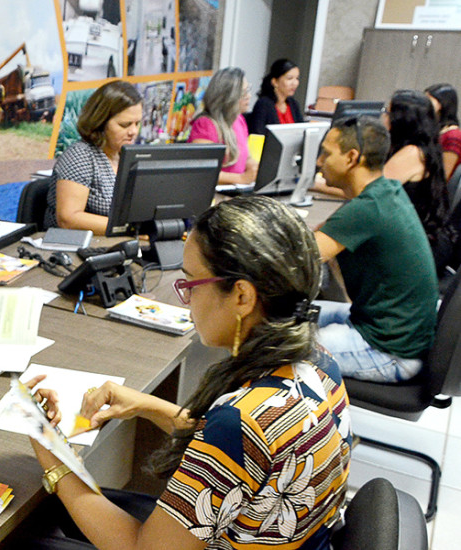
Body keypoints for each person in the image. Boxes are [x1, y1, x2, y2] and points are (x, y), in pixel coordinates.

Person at [23, 195, 351, 550]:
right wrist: (146, 405)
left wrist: (54, 457)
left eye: (191, 284)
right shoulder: (318, 361)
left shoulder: (243, 421)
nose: (187, 300)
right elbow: (246, 457)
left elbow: (140, 549)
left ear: (242, 295)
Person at [314, 116, 438, 382]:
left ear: (352, 158)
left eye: (325, 154)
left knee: (275, 345)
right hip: (392, 331)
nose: (319, 162)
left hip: (390, 352)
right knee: (297, 316)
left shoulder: (367, 209)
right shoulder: (386, 191)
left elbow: (296, 258)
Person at [44, 80, 142, 235]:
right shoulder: (80, 156)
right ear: (101, 122)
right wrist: (129, 229)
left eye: (137, 124)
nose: (133, 131)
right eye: (125, 125)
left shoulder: (127, 156)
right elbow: (68, 219)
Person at [382, 89, 449, 248]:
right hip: (411, 235)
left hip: (413, 243)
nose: (384, 117)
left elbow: (371, 192)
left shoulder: (412, 154)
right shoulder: (423, 147)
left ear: (401, 120)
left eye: (388, 112)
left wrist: (318, 185)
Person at [188, 67, 259, 186]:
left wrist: (252, 164)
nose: (249, 96)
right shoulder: (205, 124)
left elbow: (245, 157)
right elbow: (203, 172)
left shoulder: (239, 119)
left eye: (248, 90)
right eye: (243, 93)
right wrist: (241, 178)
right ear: (228, 98)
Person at [246, 58, 305, 135]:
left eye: (297, 78)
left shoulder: (293, 104)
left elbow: (301, 130)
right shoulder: (263, 104)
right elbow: (258, 134)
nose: (295, 83)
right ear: (275, 82)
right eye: (290, 78)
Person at [425, 83, 461, 181]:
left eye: (429, 101)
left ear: (443, 104)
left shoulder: (453, 136)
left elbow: (443, 176)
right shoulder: (436, 130)